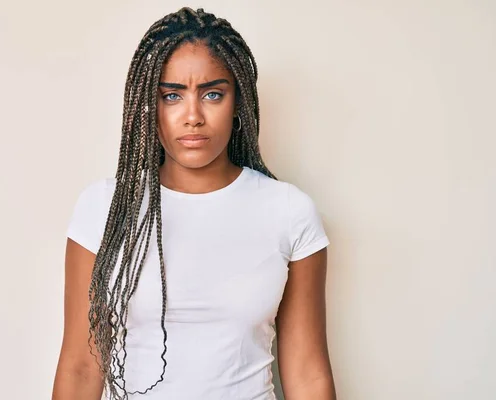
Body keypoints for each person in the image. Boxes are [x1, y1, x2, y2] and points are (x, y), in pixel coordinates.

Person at [52, 7, 336, 400]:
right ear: (149, 105)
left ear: (238, 103)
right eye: (172, 96)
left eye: (213, 94)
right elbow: (81, 366)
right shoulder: (104, 208)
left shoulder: (288, 211)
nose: (192, 116)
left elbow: (307, 373)